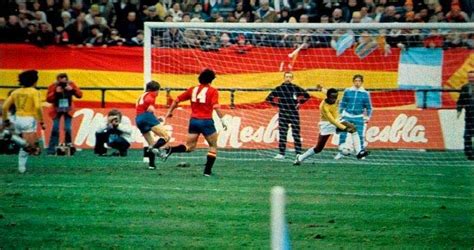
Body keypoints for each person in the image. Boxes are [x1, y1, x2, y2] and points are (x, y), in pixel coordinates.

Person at [164, 69, 227, 176]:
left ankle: (171, 149)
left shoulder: (193, 89)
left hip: (194, 121)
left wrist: (169, 111)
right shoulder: (213, 91)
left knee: (190, 147)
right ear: (211, 80)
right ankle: (207, 172)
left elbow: (177, 100)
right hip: (206, 121)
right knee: (213, 145)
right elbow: (216, 107)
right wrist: (223, 120)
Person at [294, 87, 369, 166]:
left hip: (337, 120)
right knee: (318, 148)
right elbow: (331, 120)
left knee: (353, 128)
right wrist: (344, 128)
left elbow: (327, 91)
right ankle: (300, 158)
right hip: (326, 124)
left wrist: (321, 88)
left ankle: (359, 152)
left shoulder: (334, 97)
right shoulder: (323, 106)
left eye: (335, 98)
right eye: (332, 98)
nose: (334, 100)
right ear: (328, 97)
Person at [2, 70, 45, 173]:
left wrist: (5, 120)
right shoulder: (35, 92)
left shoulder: (15, 92)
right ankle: (12, 137)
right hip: (29, 120)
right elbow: (38, 107)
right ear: (34, 81)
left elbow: (4, 107)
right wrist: (42, 121)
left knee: (27, 146)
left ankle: (21, 168)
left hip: (17, 119)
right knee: (33, 149)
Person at [266, 71, 310, 159]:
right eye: (287, 77)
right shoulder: (279, 88)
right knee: (282, 133)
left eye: (290, 77)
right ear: (284, 78)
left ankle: (298, 153)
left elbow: (307, 95)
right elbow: (268, 98)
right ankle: (281, 153)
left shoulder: (295, 88)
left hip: (294, 113)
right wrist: (277, 105)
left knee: (296, 133)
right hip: (283, 113)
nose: (288, 78)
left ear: (292, 78)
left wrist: (300, 102)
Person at [335, 74, 373, 160]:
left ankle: (360, 153)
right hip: (347, 115)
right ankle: (341, 152)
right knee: (343, 134)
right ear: (353, 81)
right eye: (356, 81)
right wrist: (340, 113)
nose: (357, 83)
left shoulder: (365, 93)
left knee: (359, 135)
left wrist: (368, 117)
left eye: (359, 81)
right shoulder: (348, 91)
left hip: (358, 117)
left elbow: (369, 107)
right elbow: (343, 103)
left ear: (362, 82)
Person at [135, 80, 171, 170]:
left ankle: (151, 165)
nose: (158, 93)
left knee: (150, 142)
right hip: (146, 117)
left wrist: (154, 117)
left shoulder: (142, 95)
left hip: (138, 119)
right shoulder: (151, 95)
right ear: (155, 90)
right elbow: (149, 106)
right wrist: (150, 108)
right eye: (158, 90)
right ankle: (154, 148)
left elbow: (141, 107)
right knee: (166, 136)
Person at [46, 73, 82, 155]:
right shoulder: (53, 86)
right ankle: (51, 150)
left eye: (64, 81)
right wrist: (55, 92)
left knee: (68, 128)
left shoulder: (71, 84)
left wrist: (72, 90)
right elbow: (48, 99)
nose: (62, 83)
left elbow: (80, 95)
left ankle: (69, 149)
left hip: (68, 109)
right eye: (60, 81)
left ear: (67, 80)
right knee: (55, 129)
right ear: (57, 80)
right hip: (56, 109)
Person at [456, 70, 474, 161]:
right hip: (469, 116)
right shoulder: (465, 87)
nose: (471, 79)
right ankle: (469, 153)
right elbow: (460, 100)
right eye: (469, 77)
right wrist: (459, 110)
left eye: (472, 77)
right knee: (467, 135)